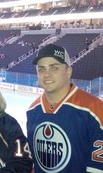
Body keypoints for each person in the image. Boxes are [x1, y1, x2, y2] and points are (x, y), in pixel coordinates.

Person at [27, 43, 103, 172]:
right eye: (41, 69)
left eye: (54, 68)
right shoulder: (33, 110)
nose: (46, 74)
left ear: (68, 71)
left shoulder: (94, 109)